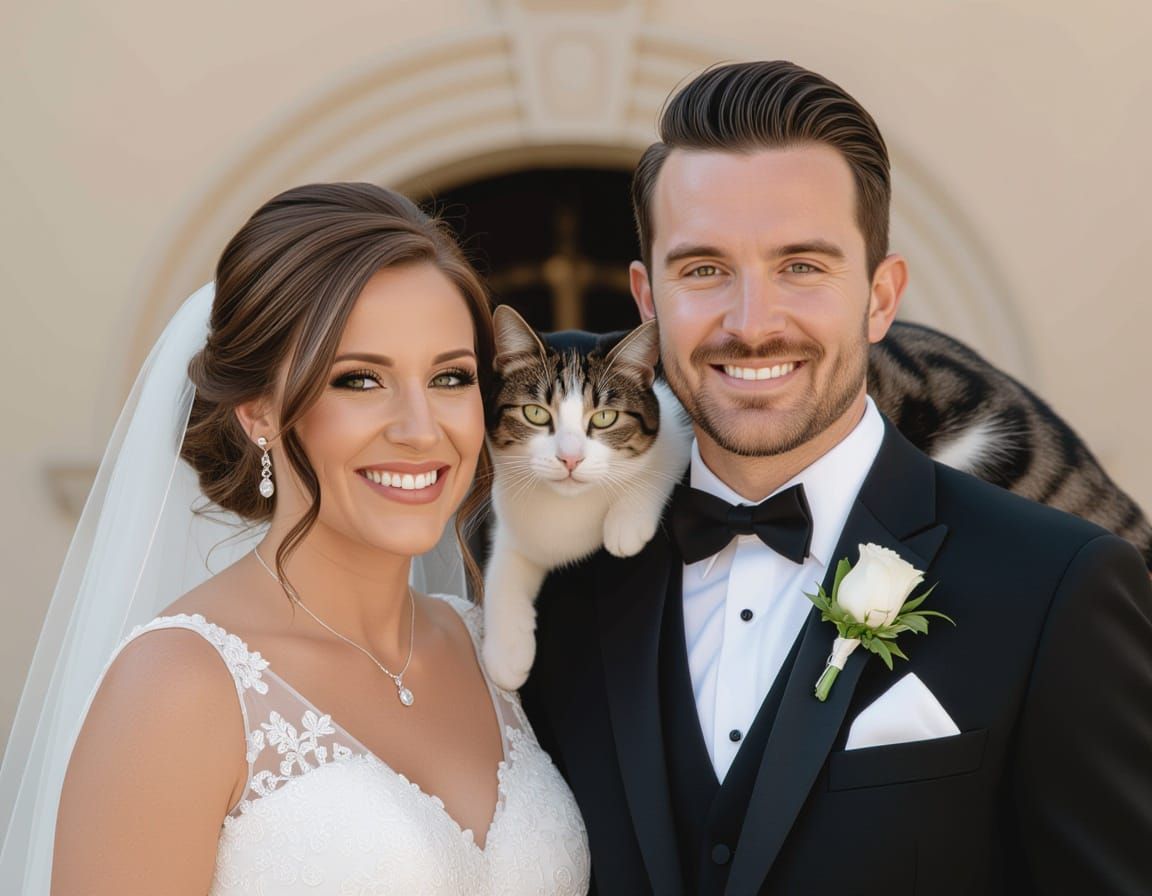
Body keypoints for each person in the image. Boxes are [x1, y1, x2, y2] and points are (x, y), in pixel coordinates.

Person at [520, 61, 1152, 895]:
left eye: (802, 267)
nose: (751, 324)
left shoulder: (1058, 589)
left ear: (881, 295)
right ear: (647, 299)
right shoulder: (554, 592)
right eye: (703, 269)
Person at [0, 183, 589, 894]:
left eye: (449, 377)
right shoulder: (180, 685)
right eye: (360, 379)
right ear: (259, 413)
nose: (420, 428)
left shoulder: (489, 647)